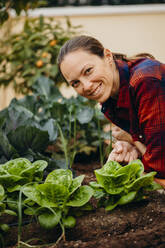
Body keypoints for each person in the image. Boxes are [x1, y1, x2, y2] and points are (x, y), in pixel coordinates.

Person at [57, 35, 165, 178]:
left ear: (107, 56)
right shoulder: (110, 96)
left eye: (88, 71)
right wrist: (129, 148)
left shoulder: (145, 81)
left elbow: (160, 167)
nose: (87, 86)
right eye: (75, 83)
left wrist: (132, 140)